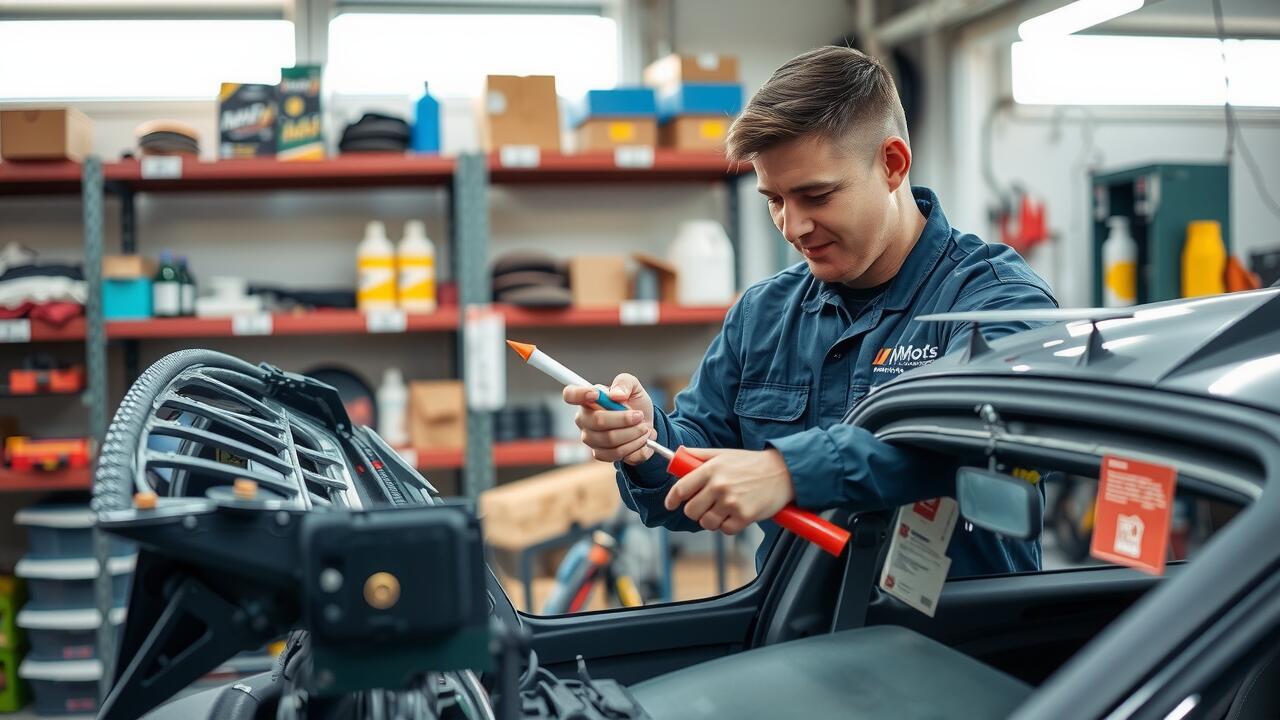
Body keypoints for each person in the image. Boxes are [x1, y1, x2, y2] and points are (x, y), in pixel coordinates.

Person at [563, 46, 1057, 577]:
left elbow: (980, 435)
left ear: (892, 165)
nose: (792, 227)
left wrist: (787, 472)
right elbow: (695, 464)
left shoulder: (996, 300)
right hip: (796, 620)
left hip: (957, 625)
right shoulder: (763, 314)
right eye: (774, 200)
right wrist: (646, 442)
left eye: (816, 196)